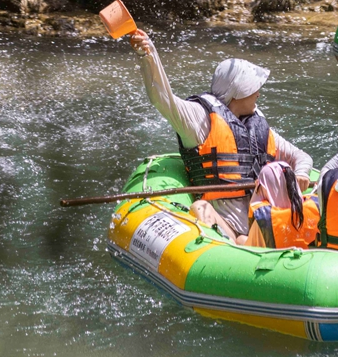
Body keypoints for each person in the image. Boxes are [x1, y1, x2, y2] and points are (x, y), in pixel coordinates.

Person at [128, 30, 313, 243]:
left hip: (260, 224)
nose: (258, 93)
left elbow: (302, 156)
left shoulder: (256, 126)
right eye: (255, 88)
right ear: (239, 90)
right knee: (200, 208)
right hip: (226, 228)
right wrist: (148, 55)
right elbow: (162, 99)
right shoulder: (199, 119)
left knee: (252, 237)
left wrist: (301, 173)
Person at [244, 161, 320, 249]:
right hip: (311, 257)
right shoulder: (317, 207)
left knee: (240, 239)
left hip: (278, 259)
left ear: (264, 187)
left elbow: (250, 249)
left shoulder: (264, 219)